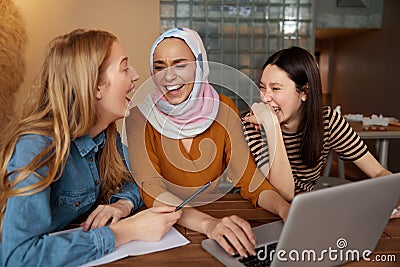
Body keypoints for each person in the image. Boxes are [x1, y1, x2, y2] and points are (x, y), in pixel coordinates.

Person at [0, 29, 181, 267]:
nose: (136, 75)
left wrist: (122, 203)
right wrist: (124, 232)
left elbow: (142, 178)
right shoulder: (36, 147)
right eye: (124, 68)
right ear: (96, 87)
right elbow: (17, 257)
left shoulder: (105, 137)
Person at [125, 27, 294, 258]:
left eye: (180, 64)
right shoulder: (138, 117)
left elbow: (250, 179)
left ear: (200, 66)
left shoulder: (224, 108)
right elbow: (152, 190)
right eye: (160, 67)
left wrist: (286, 209)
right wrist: (209, 225)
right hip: (161, 229)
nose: (168, 76)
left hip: (215, 219)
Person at [242, 46, 393, 192]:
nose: (264, 97)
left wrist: (393, 200)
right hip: (260, 212)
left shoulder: (327, 120)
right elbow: (283, 192)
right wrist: (271, 128)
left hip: (306, 207)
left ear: (304, 92)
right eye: (262, 87)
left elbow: (378, 172)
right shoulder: (252, 125)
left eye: (275, 88)